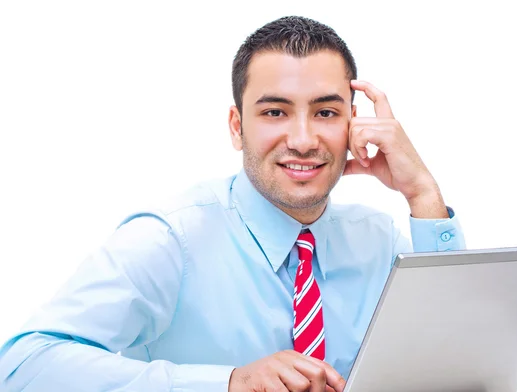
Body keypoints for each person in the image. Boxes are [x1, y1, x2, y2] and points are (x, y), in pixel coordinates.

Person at [0, 15, 466, 392]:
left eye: (325, 112)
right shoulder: (171, 239)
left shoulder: (377, 239)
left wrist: (422, 195)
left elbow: (459, 358)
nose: (303, 140)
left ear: (354, 123)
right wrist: (227, 383)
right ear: (236, 126)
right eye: (274, 112)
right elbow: (23, 366)